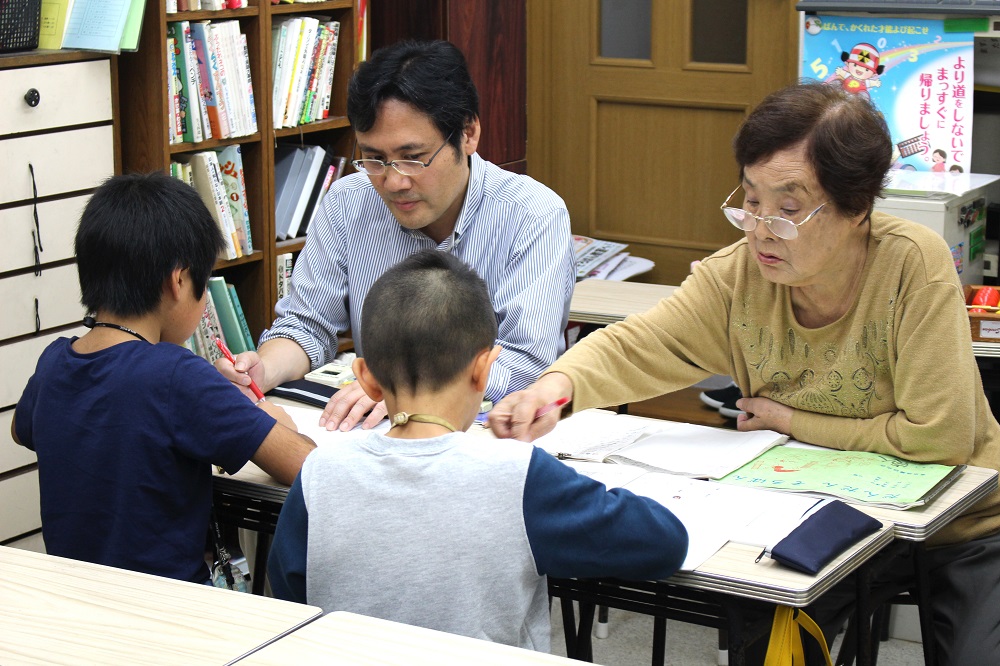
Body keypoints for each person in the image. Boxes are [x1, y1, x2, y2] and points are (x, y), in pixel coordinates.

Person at [490, 82, 1000, 665]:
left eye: (788, 210)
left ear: (857, 207)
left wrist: (791, 420)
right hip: (821, 513)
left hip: (963, 526)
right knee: (768, 646)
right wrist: (556, 387)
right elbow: (642, 343)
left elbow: (938, 438)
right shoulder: (738, 276)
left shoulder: (913, 266)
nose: (760, 229)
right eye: (751, 201)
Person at [267, 249, 688, 652]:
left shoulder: (319, 470)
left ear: (365, 377)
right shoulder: (519, 474)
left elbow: (289, 591)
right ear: (485, 369)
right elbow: (664, 542)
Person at [217, 40, 575, 432]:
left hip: (485, 434)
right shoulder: (348, 202)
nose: (393, 182)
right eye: (374, 159)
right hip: (376, 432)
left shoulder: (533, 214)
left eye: (413, 158)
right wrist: (263, 368)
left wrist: (404, 389)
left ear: (468, 133)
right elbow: (307, 326)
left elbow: (527, 366)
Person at [11, 173, 316, 585]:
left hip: (76, 601)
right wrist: (264, 414)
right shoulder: (176, 375)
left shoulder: (54, 362)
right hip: (171, 608)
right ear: (179, 280)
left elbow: (22, 430)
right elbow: (306, 467)